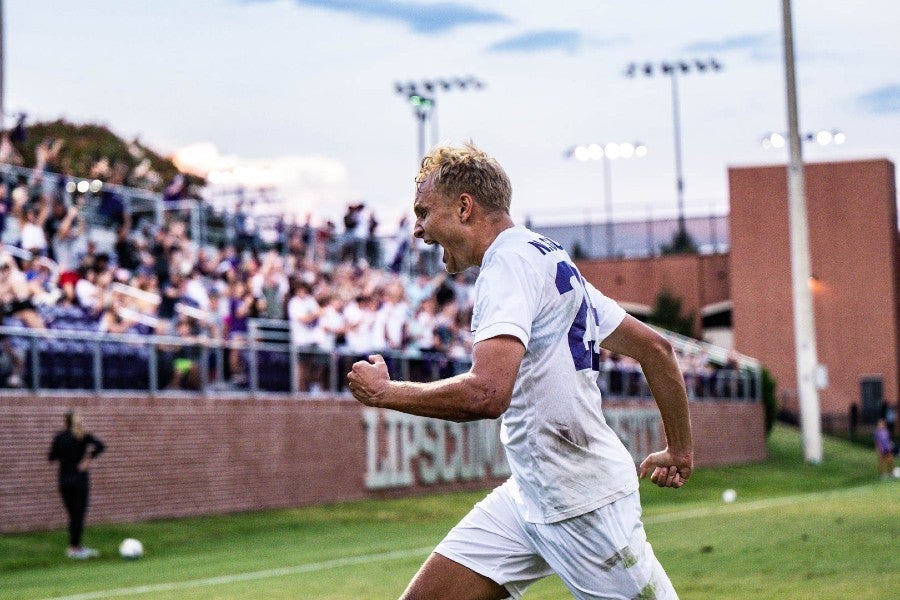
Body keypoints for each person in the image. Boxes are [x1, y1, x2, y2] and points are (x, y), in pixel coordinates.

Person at [348, 143, 692, 600]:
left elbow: (488, 394)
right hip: (532, 493)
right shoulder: (544, 254)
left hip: (582, 505)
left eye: (423, 212)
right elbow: (656, 348)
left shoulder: (507, 266)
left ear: (464, 207)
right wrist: (680, 450)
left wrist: (387, 393)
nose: (417, 229)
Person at [48, 410, 106, 559]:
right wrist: (87, 459)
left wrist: (64, 455)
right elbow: (101, 446)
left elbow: (51, 457)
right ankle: (75, 548)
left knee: (73, 515)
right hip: (79, 480)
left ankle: (75, 546)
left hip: (64, 480)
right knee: (78, 515)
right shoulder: (82, 436)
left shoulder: (59, 437)